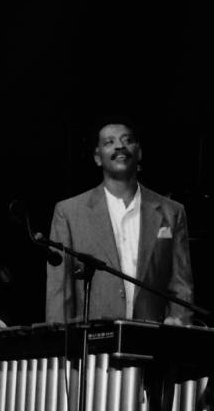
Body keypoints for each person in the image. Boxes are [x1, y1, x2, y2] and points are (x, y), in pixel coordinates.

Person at [46, 120, 195, 325]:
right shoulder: (69, 213)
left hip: (152, 339)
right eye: (109, 142)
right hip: (91, 345)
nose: (119, 146)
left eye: (127, 140)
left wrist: (179, 322)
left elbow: (181, 283)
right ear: (97, 157)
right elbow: (59, 290)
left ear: (139, 152)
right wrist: (57, 345)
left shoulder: (172, 212)